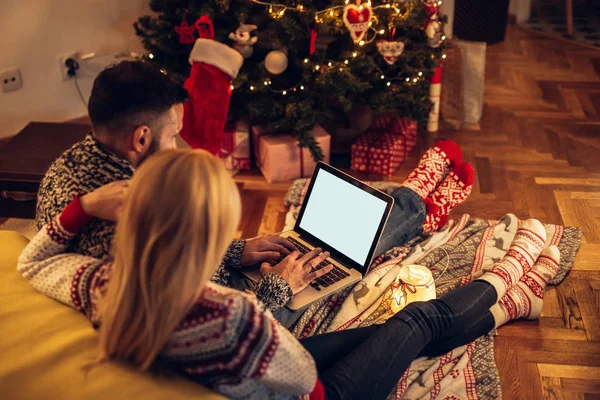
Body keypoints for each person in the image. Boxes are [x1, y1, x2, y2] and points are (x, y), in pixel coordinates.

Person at [20, 150, 560, 400]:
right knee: (418, 320)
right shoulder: (231, 319)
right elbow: (300, 375)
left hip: (233, 361)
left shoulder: (102, 283)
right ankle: (516, 274)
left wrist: (83, 206)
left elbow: (33, 261)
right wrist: (282, 288)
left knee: (378, 335)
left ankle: (507, 303)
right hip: (318, 392)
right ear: (207, 240)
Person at [35, 60, 474, 315]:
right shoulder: (136, 226)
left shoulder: (68, 167)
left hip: (216, 277)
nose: (178, 145)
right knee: (333, 258)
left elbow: (187, 256)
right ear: (142, 139)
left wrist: (235, 252)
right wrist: (279, 287)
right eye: (172, 134)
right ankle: (419, 204)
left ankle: (416, 203)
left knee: (316, 246)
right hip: (243, 301)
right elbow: (216, 326)